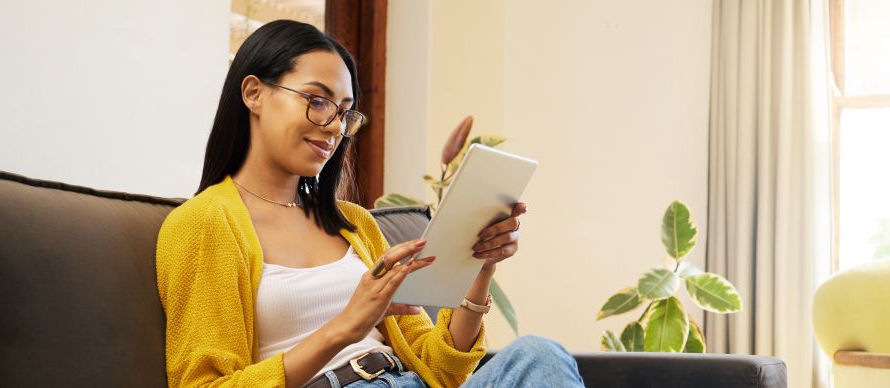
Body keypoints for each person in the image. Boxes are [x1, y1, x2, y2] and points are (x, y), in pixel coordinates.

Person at [155, 20, 584, 388]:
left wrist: (479, 269)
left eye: (344, 112)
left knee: (540, 356)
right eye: (317, 101)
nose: (334, 127)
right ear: (254, 93)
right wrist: (345, 328)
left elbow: (439, 369)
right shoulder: (204, 222)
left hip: (407, 381)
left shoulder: (354, 224)